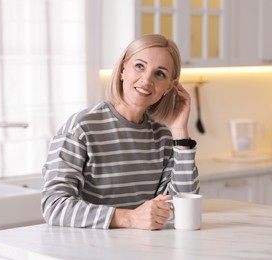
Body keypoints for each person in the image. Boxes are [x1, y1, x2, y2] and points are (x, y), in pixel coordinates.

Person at [41, 34, 199, 230]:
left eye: (160, 74)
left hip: (145, 248)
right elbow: (54, 207)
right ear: (123, 69)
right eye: (139, 66)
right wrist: (130, 218)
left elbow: (180, 209)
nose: (147, 80)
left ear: (169, 87)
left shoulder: (164, 136)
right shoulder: (82, 127)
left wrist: (179, 131)